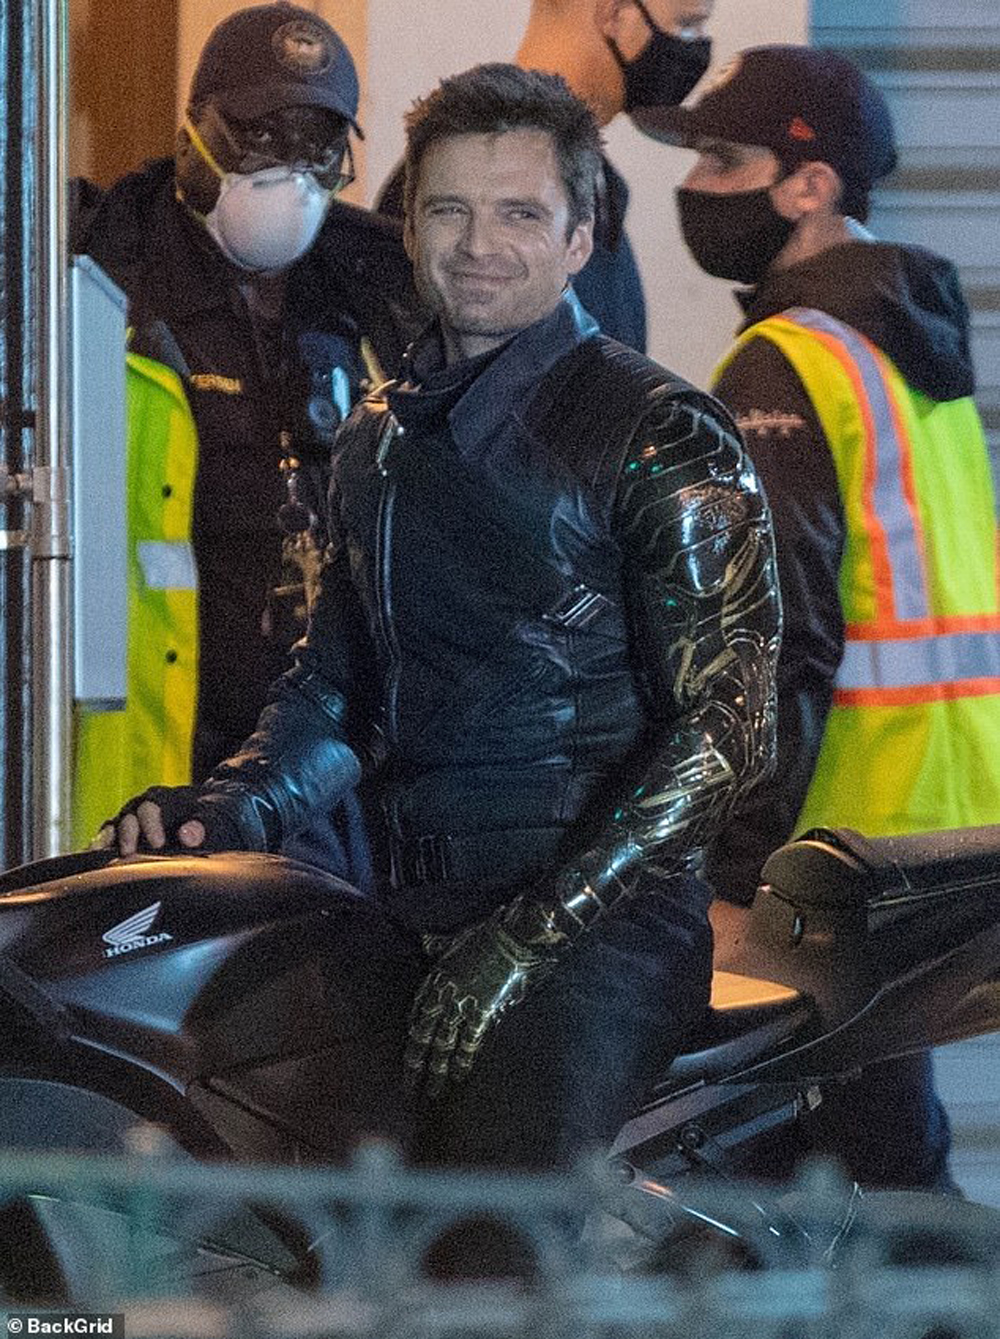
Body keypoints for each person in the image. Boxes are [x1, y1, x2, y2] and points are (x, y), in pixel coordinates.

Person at [96, 62, 781, 1175]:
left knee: (477, 1244)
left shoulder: (662, 430)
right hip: (403, 905)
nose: (478, 244)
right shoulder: (377, 435)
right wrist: (225, 815)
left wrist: (528, 938)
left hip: (605, 933)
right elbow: (339, 688)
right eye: (450, 210)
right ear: (408, 227)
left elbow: (728, 731)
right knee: (287, 1189)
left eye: (520, 214)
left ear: (580, 238)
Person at [643, 43, 1000, 1189]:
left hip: (837, 849)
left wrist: (737, 875)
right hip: (944, 824)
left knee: (820, 1165)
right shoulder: (908, 345)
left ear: (809, 184)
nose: (696, 186)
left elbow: (777, 636)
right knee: (858, 1160)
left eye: (724, 159)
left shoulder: (785, 361)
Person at [71, 2, 422, 856]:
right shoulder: (95, 267)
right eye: (261, 139)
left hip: (315, 766)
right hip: (149, 754)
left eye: (318, 146)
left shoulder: (373, 283)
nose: (290, 173)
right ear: (195, 131)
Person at [375, 0, 715, 351]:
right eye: (687, 25)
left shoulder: (600, 186)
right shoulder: (442, 182)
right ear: (614, 14)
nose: (696, 47)